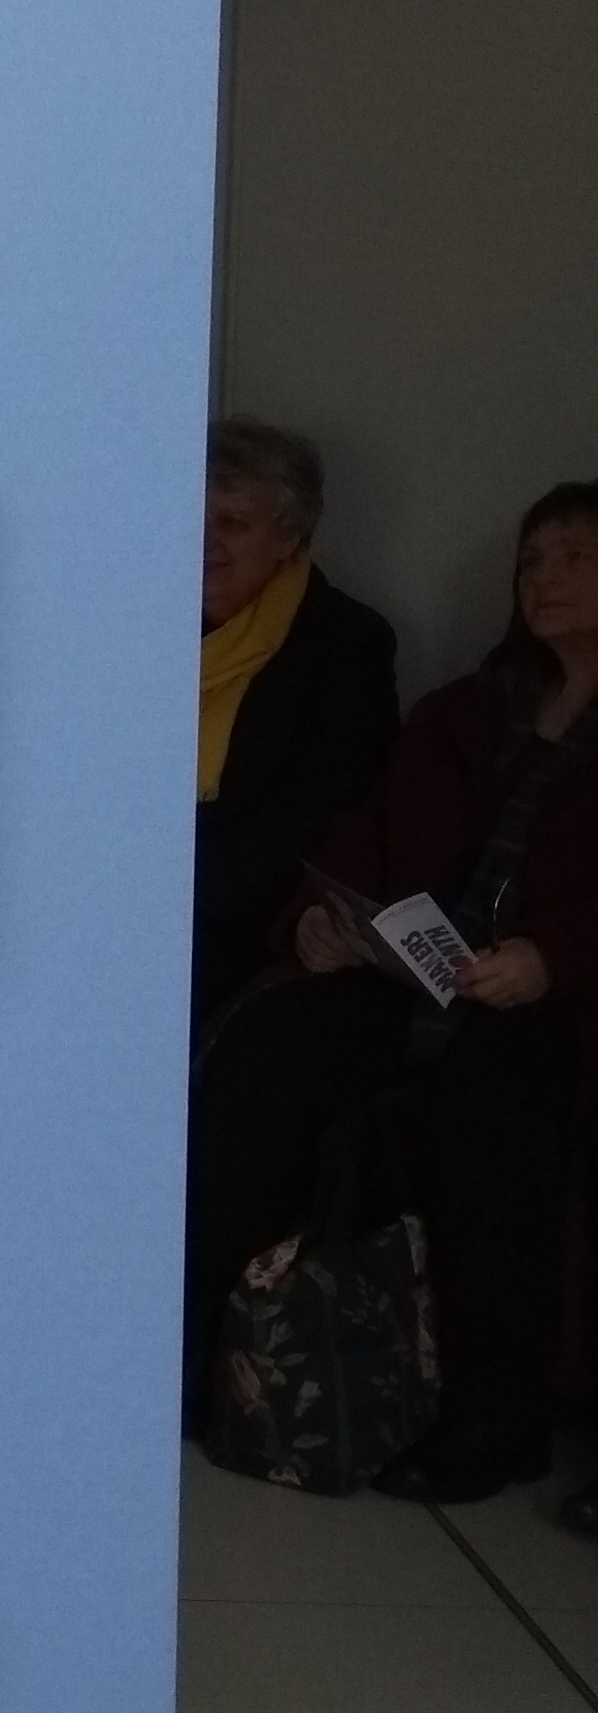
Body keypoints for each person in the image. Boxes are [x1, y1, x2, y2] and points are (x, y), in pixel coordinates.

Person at [186, 480, 598, 1504]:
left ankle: (495, 1419)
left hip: (547, 1003)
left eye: (575, 557)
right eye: (532, 559)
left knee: (493, 1106)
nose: (544, 578)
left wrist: (549, 955)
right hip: (415, 972)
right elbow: (363, 837)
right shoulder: (467, 709)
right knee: (262, 1055)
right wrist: (317, 920)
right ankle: (203, 1361)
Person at [195, 420, 400, 1035]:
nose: (203, 542)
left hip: (257, 929)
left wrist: (177, 899)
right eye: (191, 517)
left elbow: (321, 821)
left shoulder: (347, 645)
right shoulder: (131, 623)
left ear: (289, 537)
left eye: (232, 524)